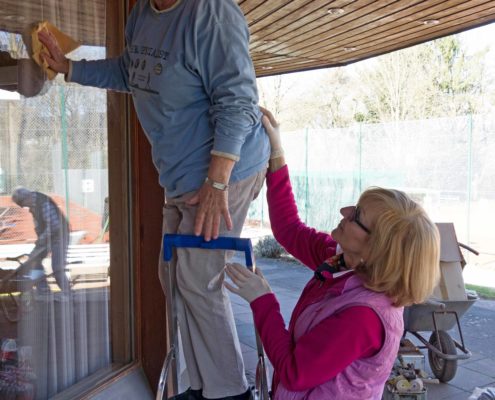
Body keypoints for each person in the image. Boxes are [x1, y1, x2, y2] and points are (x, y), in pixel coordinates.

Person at [37, 1, 270, 399]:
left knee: (199, 279)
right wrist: (71, 69)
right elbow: (131, 71)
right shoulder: (142, 14)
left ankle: (230, 392)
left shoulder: (210, 14)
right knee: (174, 278)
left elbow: (238, 103)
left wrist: (217, 186)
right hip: (180, 176)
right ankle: (202, 385)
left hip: (223, 171)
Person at [224, 108, 441, 399]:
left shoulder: (364, 318)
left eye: (357, 216)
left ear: (377, 249)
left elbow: (293, 372)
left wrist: (262, 300)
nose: (344, 212)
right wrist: (277, 155)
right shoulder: (342, 261)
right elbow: (289, 229)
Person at [11, 187, 70, 293]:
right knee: (34, 261)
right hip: (48, 237)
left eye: (23, 204)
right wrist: (40, 240)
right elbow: (40, 225)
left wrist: (42, 239)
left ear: (26, 198)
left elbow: (54, 226)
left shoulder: (43, 203)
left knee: (57, 268)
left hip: (59, 237)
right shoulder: (34, 205)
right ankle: (43, 290)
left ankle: (67, 292)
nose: (24, 207)